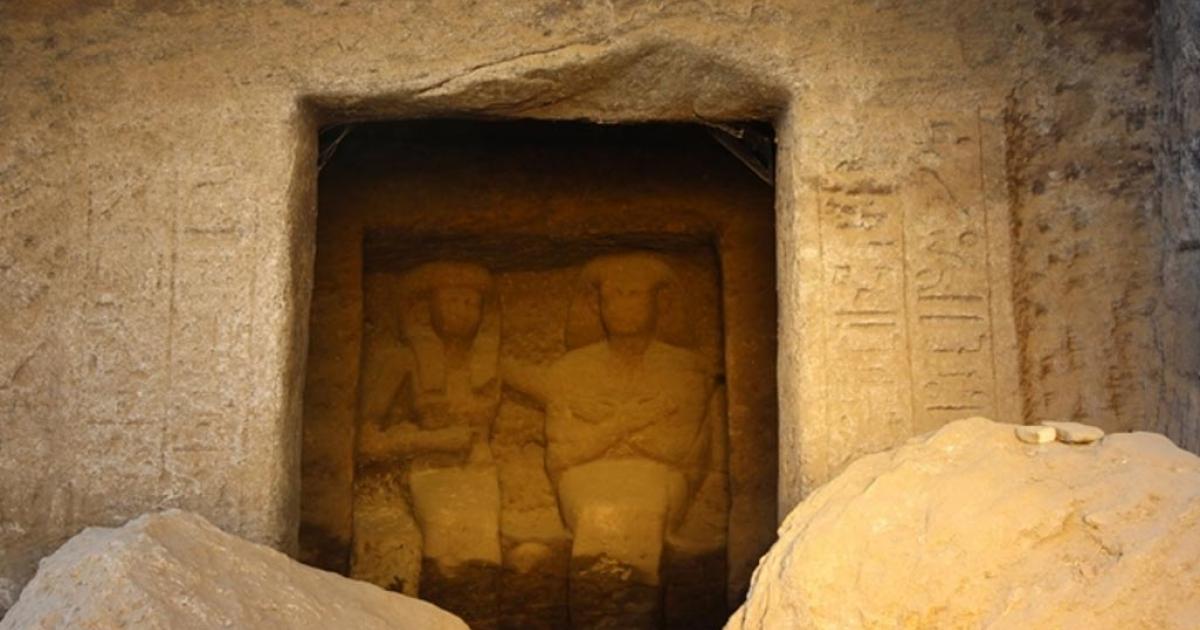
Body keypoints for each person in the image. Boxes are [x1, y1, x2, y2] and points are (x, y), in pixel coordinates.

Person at [504, 252, 721, 628]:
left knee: (636, 508)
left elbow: (677, 451)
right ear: (597, 306)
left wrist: (601, 427)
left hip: (661, 481)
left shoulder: (684, 368)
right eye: (612, 297)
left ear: (658, 303)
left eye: (633, 294)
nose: (622, 306)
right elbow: (565, 454)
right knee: (601, 511)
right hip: (583, 481)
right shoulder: (572, 369)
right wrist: (635, 420)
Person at [356, 261, 502, 629]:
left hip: (480, 474)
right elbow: (367, 441)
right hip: (420, 474)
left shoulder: (489, 365)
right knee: (448, 554)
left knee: (480, 558)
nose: (463, 312)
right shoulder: (402, 361)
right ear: (427, 309)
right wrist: (433, 440)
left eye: (473, 303)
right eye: (453, 301)